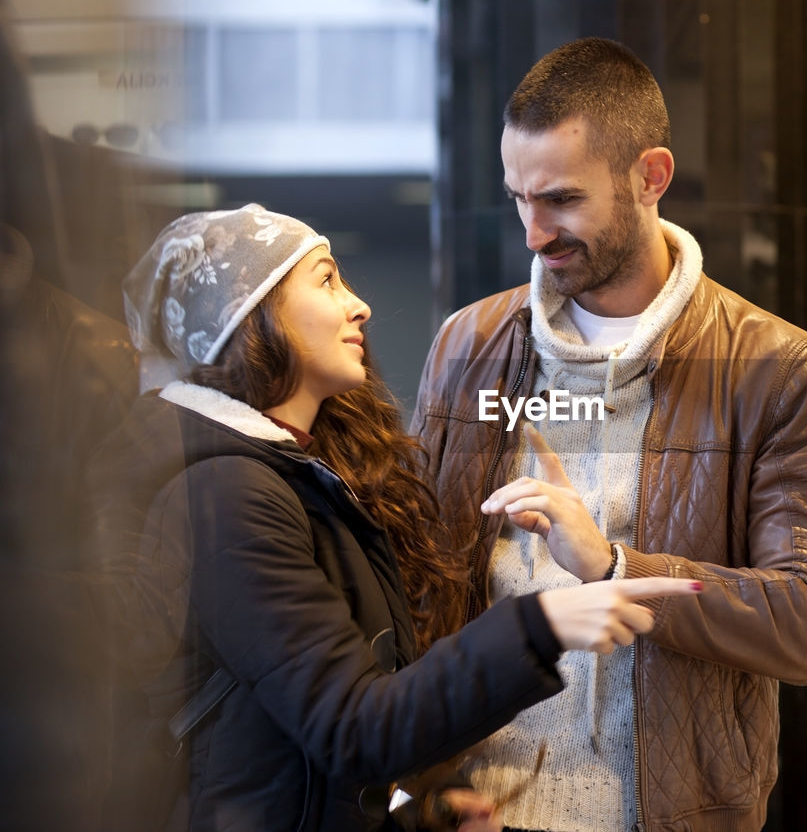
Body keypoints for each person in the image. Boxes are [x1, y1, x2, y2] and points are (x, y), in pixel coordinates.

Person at [91, 203, 700, 832]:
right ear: (244, 319)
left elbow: (293, 749)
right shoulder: (225, 492)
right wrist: (538, 625)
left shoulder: (293, 474)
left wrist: (416, 815)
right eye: (326, 280)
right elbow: (356, 729)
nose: (360, 306)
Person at [411, 38, 807, 831]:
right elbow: (410, 586)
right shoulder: (465, 347)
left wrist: (619, 568)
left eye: (560, 199)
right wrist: (413, 791)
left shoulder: (775, 368)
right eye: (519, 196)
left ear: (651, 176)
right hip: (475, 812)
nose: (533, 232)